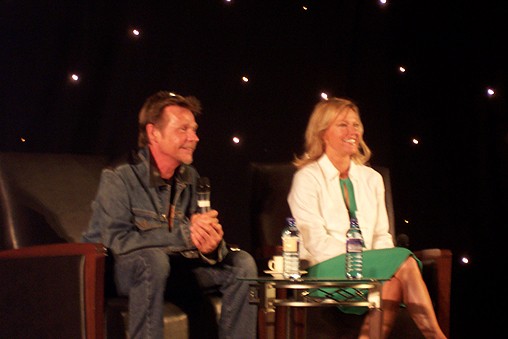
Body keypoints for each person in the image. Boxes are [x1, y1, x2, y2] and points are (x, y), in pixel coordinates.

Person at [81, 91, 257, 339]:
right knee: (153, 260)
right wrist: (185, 235)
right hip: (119, 271)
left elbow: (197, 237)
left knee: (243, 264)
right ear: (154, 133)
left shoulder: (191, 177)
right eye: (183, 129)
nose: (193, 138)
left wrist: (210, 246)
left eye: (194, 130)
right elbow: (114, 241)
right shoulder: (120, 176)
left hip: (170, 269)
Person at [287, 97, 446, 339]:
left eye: (356, 124)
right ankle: (437, 336)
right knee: (405, 261)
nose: (353, 132)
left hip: (370, 269)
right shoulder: (307, 178)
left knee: (393, 280)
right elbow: (315, 243)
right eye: (343, 125)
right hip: (325, 268)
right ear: (322, 133)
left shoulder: (372, 179)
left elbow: (382, 236)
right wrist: (365, 261)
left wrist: (381, 264)